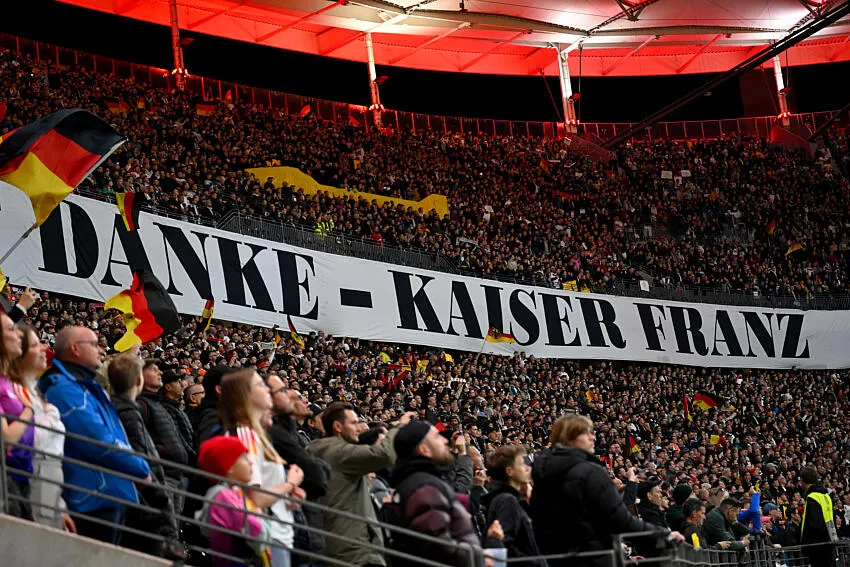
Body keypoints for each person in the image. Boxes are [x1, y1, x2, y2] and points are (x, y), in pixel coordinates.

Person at [38, 326, 151, 545]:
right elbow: (98, 441)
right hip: (91, 498)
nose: (102, 349)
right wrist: (140, 468)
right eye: (94, 344)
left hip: (104, 494)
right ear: (75, 349)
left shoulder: (85, 387)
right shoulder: (65, 389)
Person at [529, 415, 679, 567]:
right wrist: (663, 535)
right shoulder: (590, 472)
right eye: (586, 433)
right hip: (593, 559)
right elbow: (619, 520)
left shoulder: (542, 474)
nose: (593, 437)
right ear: (570, 437)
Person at [306, 402, 412, 567]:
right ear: (338, 427)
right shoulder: (338, 452)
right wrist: (400, 427)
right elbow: (383, 455)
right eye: (354, 423)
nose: (359, 428)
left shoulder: (324, 449)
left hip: (344, 543)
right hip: (353, 548)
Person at [220, 369, 305, 567]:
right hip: (266, 537)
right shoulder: (244, 435)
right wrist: (289, 483)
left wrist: (289, 494)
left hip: (276, 535)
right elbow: (255, 498)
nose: (267, 390)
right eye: (260, 385)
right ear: (245, 395)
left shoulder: (257, 435)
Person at [383, 420, 498, 567]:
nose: (444, 440)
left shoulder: (423, 482)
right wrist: (479, 559)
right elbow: (441, 549)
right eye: (436, 437)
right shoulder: (425, 489)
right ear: (424, 450)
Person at [108, 353, 183, 559]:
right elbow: (140, 452)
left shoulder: (129, 407)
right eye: (153, 370)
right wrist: (158, 494)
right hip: (149, 491)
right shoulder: (132, 409)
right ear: (139, 379)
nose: (159, 372)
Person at [8, 323, 75, 531]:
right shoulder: (14, 393)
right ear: (21, 353)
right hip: (30, 484)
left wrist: (59, 506)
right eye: (36, 344)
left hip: (50, 490)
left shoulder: (34, 391)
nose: (42, 348)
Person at [266, 375, 331, 567]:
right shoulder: (276, 433)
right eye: (284, 392)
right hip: (288, 520)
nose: (301, 401)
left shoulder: (288, 431)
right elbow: (317, 474)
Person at [196, 436, 274, 567]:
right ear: (229, 466)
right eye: (244, 457)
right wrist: (258, 511)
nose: (251, 462)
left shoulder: (236, 495)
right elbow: (260, 536)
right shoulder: (223, 496)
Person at [138, 363, 194, 516]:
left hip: (176, 472)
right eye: (154, 370)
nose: (159, 373)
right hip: (164, 473)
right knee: (165, 522)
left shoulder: (160, 405)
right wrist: (168, 452)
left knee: (173, 523)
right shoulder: (144, 405)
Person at [481, 445, 545, 566]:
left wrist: (528, 504)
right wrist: (535, 563)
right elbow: (503, 548)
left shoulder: (508, 498)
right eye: (522, 464)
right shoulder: (507, 500)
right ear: (510, 471)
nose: (527, 468)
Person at [0, 312, 34, 520]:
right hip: (5, 479)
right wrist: (29, 409)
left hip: (22, 478)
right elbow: (7, 437)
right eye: (11, 329)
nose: (19, 335)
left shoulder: (7, 382)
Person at [799, 466, 838, 567]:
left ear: (803, 480)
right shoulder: (826, 496)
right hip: (830, 541)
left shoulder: (812, 497)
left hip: (818, 546)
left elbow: (815, 523)